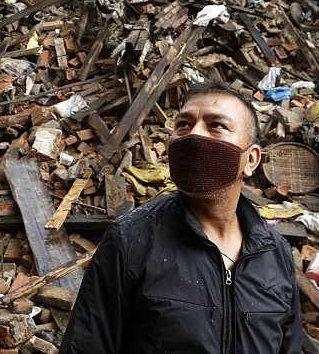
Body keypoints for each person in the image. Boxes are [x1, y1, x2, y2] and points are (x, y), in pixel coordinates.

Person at [59, 80, 302, 354]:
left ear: (251, 160)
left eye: (216, 125)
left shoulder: (275, 253)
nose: (193, 136)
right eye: (183, 125)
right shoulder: (131, 239)